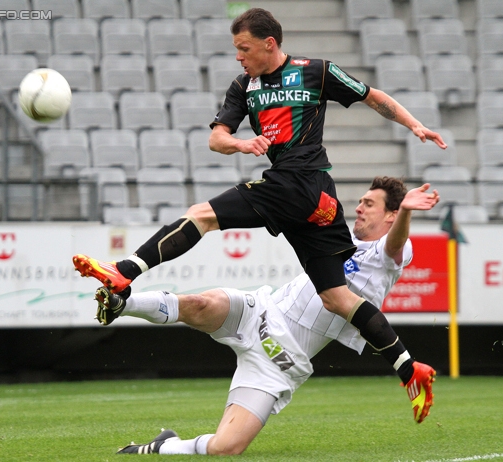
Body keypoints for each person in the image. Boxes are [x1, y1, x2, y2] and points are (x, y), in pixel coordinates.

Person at [73, 8, 446, 425]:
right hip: (321, 202)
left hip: (296, 182)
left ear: (270, 44)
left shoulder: (315, 72)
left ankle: (124, 272)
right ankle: (409, 368)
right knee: (337, 297)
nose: (238, 57)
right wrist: (240, 144)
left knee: (202, 215)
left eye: (243, 48)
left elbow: (373, 97)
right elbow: (216, 139)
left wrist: (416, 126)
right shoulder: (243, 86)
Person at [91, 177, 439, 455]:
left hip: (279, 362)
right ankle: (122, 303)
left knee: (226, 448)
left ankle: (164, 445)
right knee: (199, 304)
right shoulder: (339, 237)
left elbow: (395, 243)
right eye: (360, 201)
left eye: (369, 203)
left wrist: (407, 211)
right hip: (260, 312)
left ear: (391, 215)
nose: (359, 207)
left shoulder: (392, 252)